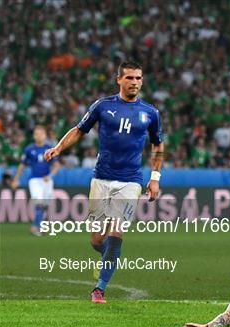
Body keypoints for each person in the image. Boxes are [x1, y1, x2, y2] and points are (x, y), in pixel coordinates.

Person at [44, 61, 164, 303]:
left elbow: (157, 143)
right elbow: (79, 130)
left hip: (131, 181)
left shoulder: (150, 113)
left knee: (117, 231)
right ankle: (109, 255)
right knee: (97, 240)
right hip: (101, 178)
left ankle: (99, 288)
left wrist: (155, 178)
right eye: (129, 78)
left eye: (138, 78)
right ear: (118, 80)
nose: (134, 82)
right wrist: (58, 147)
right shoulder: (103, 106)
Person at [12, 125, 61, 236]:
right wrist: (16, 179)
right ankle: (38, 228)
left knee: (44, 204)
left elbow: (57, 165)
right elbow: (22, 165)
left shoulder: (49, 148)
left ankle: (37, 225)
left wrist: (50, 175)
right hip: (35, 180)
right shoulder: (29, 149)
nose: (39, 136)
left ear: (45, 135)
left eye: (41, 134)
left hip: (47, 181)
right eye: (37, 134)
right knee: (39, 202)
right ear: (34, 136)